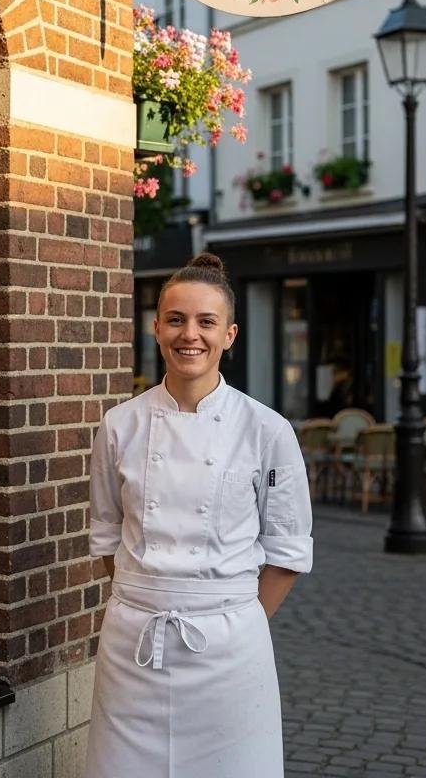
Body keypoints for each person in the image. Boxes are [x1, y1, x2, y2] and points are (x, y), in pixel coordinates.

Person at [85, 253, 312, 778]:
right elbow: (106, 535)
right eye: (176, 320)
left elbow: (287, 551)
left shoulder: (267, 431)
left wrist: (231, 618)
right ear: (156, 328)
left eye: (206, 322)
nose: (191, 335)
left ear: (229, 334)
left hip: (231, 651)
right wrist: (150, 598)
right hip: (133, 647)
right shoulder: (119, 426)